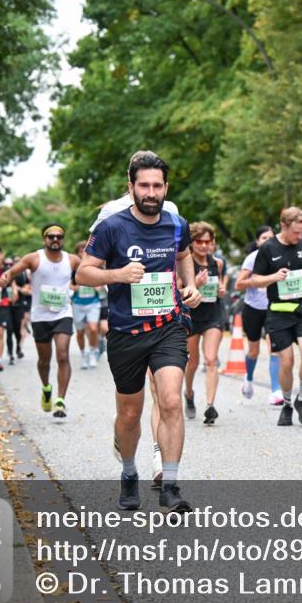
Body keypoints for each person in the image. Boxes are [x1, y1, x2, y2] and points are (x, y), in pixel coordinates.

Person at [77, 150, 202, 512]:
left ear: (166, 188)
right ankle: (129, 472)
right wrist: (117, 274)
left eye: (157, 186)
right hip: (126, 332)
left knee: (170, 399)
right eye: (144, 185)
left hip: (168, 326)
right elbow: (84, 272)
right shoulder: (111, 226)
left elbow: (183, 255)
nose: (151, 192)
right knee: (130, 414)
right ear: (131, 187)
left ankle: (172, 485)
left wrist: (190, 286)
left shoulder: (177, 223)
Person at [249, 207, 302, 426]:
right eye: (296, 232)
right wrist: (273, 277)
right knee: (287, 362)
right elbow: (255, 280)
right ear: (284, 226)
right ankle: (287, 404)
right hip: (278, 313)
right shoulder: (268, 248)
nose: (299, 237)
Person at [0, 225, 80, 418]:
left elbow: (88, 271)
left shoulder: (72, 259)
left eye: (59, 237)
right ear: (44, 239)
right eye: (51, 236)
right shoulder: (34, 258)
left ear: (63, 239)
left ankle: (60, 401)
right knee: (44, 360)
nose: (55, 239)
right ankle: (46, 388)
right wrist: (7, 276)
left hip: (63, 313)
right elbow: (14, 270)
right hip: (40, 316)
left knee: (62, 355)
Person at [183, 222, 226, 425]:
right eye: (199, 241)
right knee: (192, 362)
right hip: (192, 316)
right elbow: (179, 290)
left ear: (213, 243)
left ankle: (210, 406)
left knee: (211, 359)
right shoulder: (185, 262)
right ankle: (189, 394)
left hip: (213, 315)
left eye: (207, 242)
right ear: (192, 243)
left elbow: (219, 285)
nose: (203, 245)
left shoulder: (217, 263)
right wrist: (195, 285)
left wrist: (221, 290)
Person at [234, 226, 283, 404]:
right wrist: (257, 281)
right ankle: (248, 379)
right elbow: (238, 285)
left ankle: (276, 390)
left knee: (275, 348)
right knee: (254, 350)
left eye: (271, 238)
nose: (268, 241)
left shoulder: (279, 257)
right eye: (264, 238)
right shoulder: (252, 259)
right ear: (257, 241)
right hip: (253, 309)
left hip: (273, 308)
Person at [71, 240, 102, 370]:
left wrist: (95, 286)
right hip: (77, 303)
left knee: (93, 328)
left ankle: (93, 352)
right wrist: (75, 288)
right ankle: (84, 355)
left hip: (93, 303)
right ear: (77, 253)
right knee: (80, 332)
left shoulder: (94, 267)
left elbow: (100, 286)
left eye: (85, 251)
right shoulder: (73, 269)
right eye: (80, 251)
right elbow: (67, 284)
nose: (83, 253)